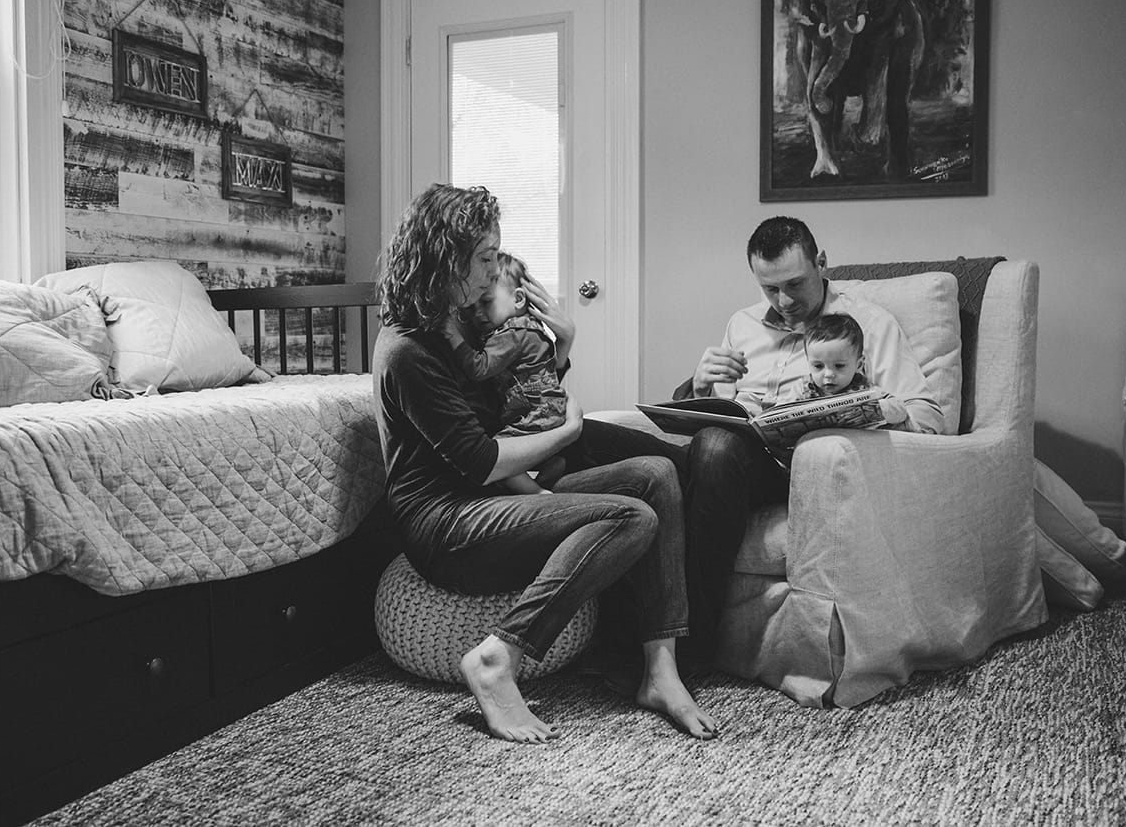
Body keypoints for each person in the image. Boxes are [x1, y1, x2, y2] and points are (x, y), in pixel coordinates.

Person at [372, 182, 719, 743]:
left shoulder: (462, 321)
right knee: (631, 517)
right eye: (484, 258)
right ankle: (497, 657)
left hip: (497, 496)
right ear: (446, 256)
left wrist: (562, 346)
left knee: (658, 475)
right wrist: (571, 430)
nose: (492, 273)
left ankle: (660, 671)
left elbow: (517, 404)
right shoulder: (408, 349)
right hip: (448, 523)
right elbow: (481, 459)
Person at [678, 216, 945, 658]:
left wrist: (866, 411)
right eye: (769, 289)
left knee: (714, 449)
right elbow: (719, 410)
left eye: (795, 285)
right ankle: (630, 647)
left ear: (822, 263)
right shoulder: (742, 324)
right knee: (623, 453)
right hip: (732, 461)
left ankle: (690, 648)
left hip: (804, 468)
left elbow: (930, 418)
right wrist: (698, 387)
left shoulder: (868, 325)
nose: (784, 301)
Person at [444, 251, 567, 495]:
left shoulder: (511, 334)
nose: (477, 313)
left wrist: (451, 334)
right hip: (550, 409)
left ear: (518, 299)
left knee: (497, 453)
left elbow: (479, 368)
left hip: (536, 412)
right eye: (472, 306)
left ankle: (537, 495)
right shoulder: (530, 328)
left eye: (487, 302)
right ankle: (552, 464)